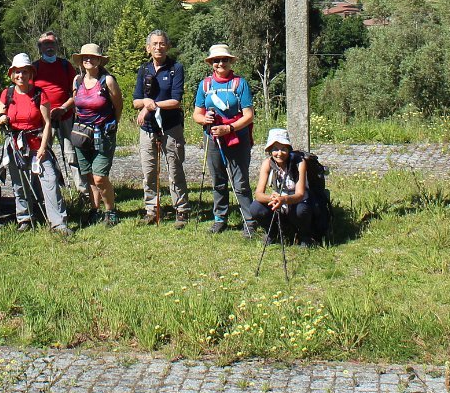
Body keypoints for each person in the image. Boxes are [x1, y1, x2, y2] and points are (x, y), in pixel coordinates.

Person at [0, 53, 71, 236]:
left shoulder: (39, 94)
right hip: (15, 145)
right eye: (17, 72)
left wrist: (43, 148)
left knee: (50, 180)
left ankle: (58, 223)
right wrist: (2, 118)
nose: (20, 75)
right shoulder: (7, 93)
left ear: (30, 74)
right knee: (19, 183)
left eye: (24, 72)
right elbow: (1, 116)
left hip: (37, 143)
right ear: (12, 74)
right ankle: (24, 219)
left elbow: (46, 123)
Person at [192, 43, 257, 238]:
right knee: (218, 180)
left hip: (237, 137)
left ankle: (249, 221)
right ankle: (220, 218)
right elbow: (197, 114)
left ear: (230, 62)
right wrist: (205, 120)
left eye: (225, 60)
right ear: (211, 63)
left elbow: (249, 115)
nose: (221, 63)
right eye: (217, 60)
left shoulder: (240, 83)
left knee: (241, 181)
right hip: (213, 138)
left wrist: (228, 128)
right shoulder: (205, 85)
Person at [132, 29, 191, 228]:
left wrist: (151, 106)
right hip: (147, 128)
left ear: (168, 46)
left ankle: (181, 210)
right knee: (148, 171)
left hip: (171, 127)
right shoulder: (144, 69)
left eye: (162, 43)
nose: (158, 47)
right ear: (148, 48)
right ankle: (152, 209)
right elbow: (135, 101)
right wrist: (147, 102)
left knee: (175, 170)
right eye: (154, 44)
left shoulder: (176, 68)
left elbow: (176, 101)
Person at [69, 43, 123, 226]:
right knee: (89, 175)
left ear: (99, 60)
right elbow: (75, 102)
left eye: (92, 57)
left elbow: (118, 106)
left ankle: (110, 210)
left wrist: (112, 125)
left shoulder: (107, 81)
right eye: (85, 57)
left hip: (103, 134)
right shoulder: (77, 80)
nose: (88, 60)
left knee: (100, 176)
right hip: (82, 134)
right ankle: (95, 209)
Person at [245, 129, 320, 245]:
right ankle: (273, 233)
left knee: (301, 210)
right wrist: (273, 199)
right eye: (275, 149)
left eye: (283, 149)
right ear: (269, 150)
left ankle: (305, 235)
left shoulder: (300, 163)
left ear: (289, 149)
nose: (279, 153)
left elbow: (300, 194)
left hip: (298, 202)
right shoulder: (267, 163)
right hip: (279, 201)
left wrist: (283, 200)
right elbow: (258, 194)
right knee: (255, 208)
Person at [31, 30, 77, 151]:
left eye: (52, 43)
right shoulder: (33, 68)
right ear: (40, 48)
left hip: (65, 116)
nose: (50, 47)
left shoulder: (66, 66)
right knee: (43, 151)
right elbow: (28, 94)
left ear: (56, 46)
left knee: (71, 153)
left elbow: (77, 93)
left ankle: (75, 171)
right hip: (43, 118)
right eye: (46, 43)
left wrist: (63, 108)